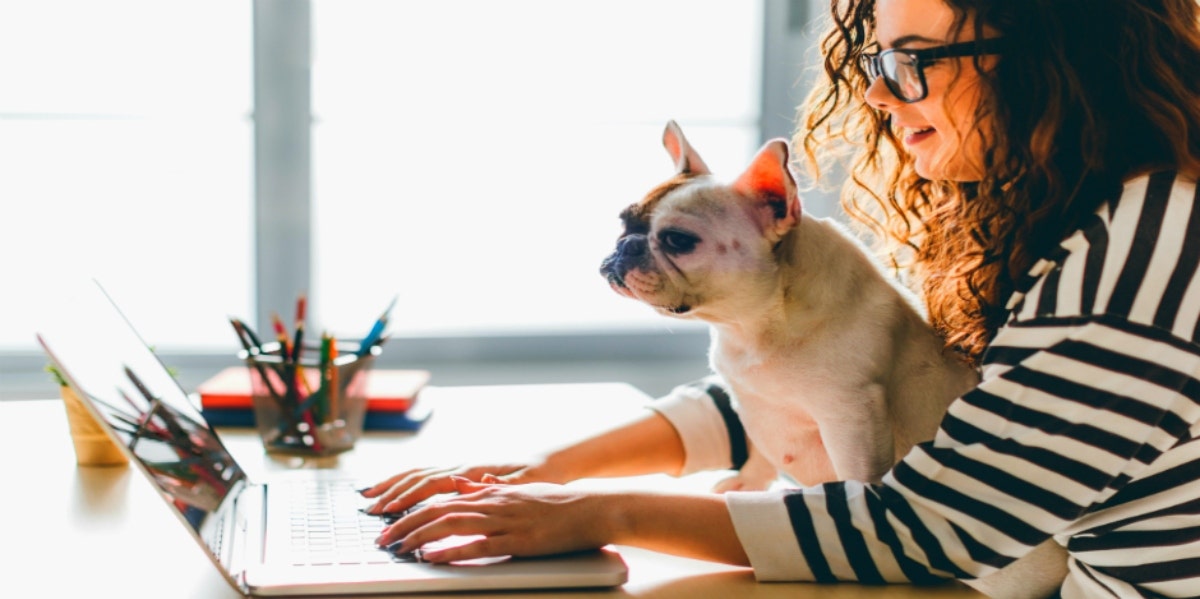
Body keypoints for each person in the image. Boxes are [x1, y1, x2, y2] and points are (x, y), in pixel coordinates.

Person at [362, 0, 1200, 596]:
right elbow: (785, 392)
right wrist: (540, 475)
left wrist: (595, 511)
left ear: (1050, 49)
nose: (876, 94)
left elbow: (934, 525)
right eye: (877, 63)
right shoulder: (1078, 213)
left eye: (911, 62)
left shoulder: (1137, 258)